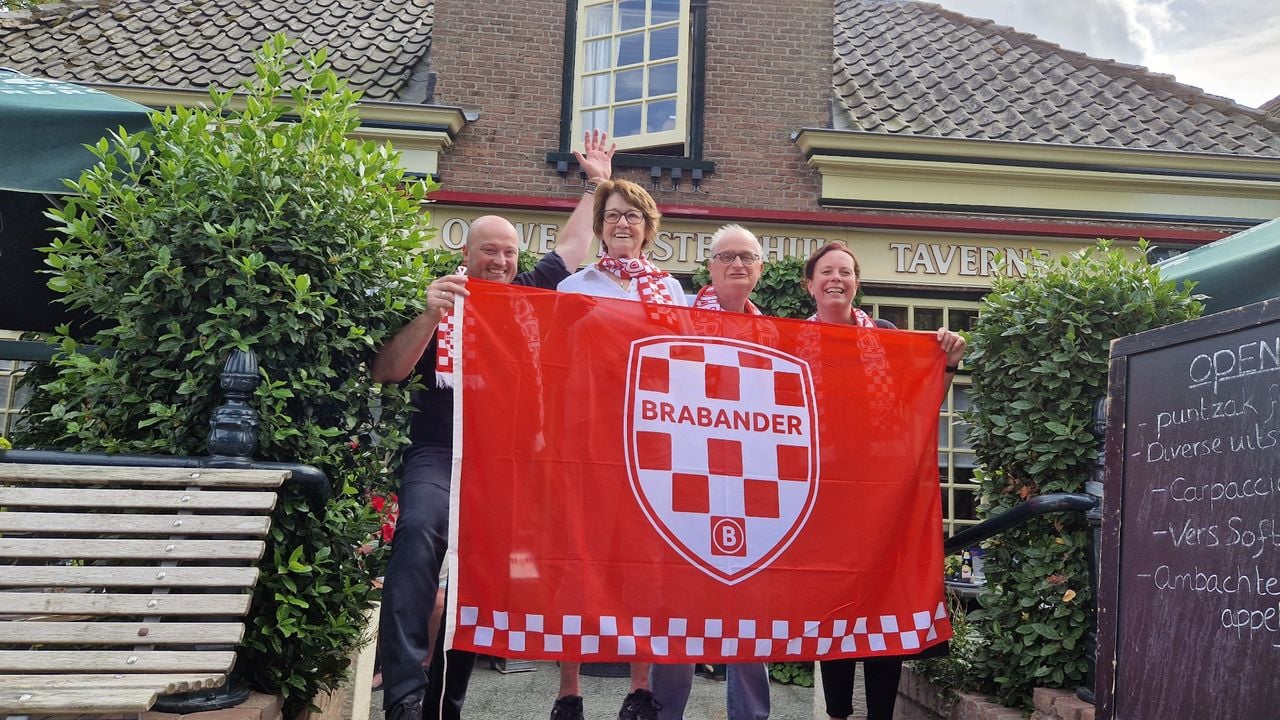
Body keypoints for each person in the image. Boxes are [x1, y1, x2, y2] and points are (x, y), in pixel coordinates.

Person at [373, 131, 615, 720]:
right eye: (490, 251)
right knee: (420, 535)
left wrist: (597, 181)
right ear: (467, 254)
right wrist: (429, 316)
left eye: (509, 251)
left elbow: (574, 246)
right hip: (439, 448)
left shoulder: (529, 295)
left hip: (506, 459)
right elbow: (387, 370)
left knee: (477, 577)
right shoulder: (439, 297)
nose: (502, 261)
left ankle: (448, 700)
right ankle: (404, 693)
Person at [802, 240, 965, 720]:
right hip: (823, 492)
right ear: (809, 284)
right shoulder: (790, 337)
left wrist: (947, 361)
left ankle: (880, 716)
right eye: (827, 271)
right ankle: (836, 713)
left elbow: (917, 399)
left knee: (883, 601)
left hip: (882, 491)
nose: (837, 279)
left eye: (846, 272)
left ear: (856, 282)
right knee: (832, 603)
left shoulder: (887, 335)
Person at [551, 178, 686, 720]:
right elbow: (553, 369)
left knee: (643, 563)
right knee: (576, 558)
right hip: (585, 439)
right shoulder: (574, 288)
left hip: (648, 444)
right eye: (612, 215)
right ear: (601, 227)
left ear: (648, 228)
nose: (622, 223)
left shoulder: (670, 291)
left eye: (633, 215)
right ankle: (568, 690)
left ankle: (639, 689)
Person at [648, 223, 772, 720]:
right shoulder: (676, 321)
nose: (738, 265)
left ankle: (752, 716)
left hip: (752, 488)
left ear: (760, 269)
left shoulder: (774, 333)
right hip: (687, 482)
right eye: (727, 257)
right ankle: (663, 713)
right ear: (710, 266)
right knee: (680, 613)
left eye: (747, 257)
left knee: (750, 613)